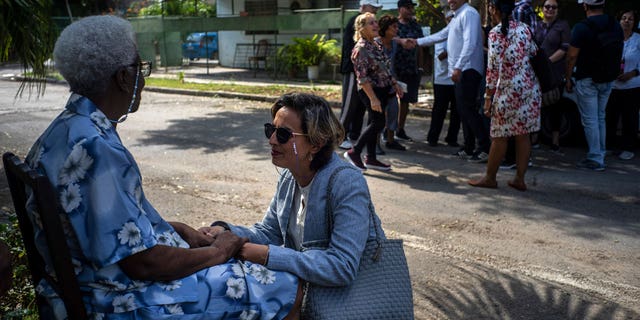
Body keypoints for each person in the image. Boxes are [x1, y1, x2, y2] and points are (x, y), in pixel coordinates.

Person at [23, 15, 301, 319]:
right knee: (285, 286)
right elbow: (144, 264)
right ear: (122, 77)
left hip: (87, 283)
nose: (143, 80)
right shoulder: (95, 148)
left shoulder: (65, 130)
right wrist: (218, 253)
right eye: (140, 69)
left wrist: (178, 229)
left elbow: (107, 225)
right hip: (114, 298)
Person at [200, 93, 387, 294]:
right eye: (270, 130)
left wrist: (268, 255)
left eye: (283, 135)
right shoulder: (290, 177)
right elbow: (268, 233)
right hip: (307, 294)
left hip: (352, 302)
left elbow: (342, 266)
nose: (272, 140)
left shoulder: (347, 182)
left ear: (316, 143)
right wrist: (226, 231)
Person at [468, 0, 541, 191]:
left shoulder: (495, 33)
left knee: (500, 136)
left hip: (507, 91)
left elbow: (492, 68)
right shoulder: (525, 29)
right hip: (528, 88)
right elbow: (534, 51)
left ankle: (490, 177)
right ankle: (519, 179)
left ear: (495, 9)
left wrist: (487, 97)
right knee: (523, 135)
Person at [417, 0, 490, 163]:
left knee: (469, 110)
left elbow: (470, 43)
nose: (450, 1)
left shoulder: (469, 13)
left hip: (468, 70)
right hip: (461, 71)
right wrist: (416, 42)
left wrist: (458, 67)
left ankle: (485, 147)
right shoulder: (457, 16)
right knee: (464, 111)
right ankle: (469, 146)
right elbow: (442, 35)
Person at [565, 0, 624, 171]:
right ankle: (600, 152)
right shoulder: (615, 24)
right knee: (600, 116)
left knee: (590, 119)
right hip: (608, 78)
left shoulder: (582, 27)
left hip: (587, 78)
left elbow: (571, 56)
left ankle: (596, 158)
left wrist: (568, 78)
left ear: (585, 6)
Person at [344, 12, 405, 171]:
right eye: (371, 23)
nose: (376, 25)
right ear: (361, 28)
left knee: (374, 122)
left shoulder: (376, 44)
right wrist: (373, 98)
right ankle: (354, 152)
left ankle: (371, 158)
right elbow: (362, 78)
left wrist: (395, 84)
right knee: (379, 122)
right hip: (371, 91)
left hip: (383, 89)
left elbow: (385, 68)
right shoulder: (361, 49)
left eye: (375, 22)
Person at [339, 0, 383, 150]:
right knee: (350, 104)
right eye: (372, 8)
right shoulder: (356, 21)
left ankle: (354, 135)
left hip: (363, 72)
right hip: (353, 70)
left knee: (360, 106)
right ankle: (340, 137)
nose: (375, 12)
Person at [533, 0, 571, 154]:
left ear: (557, 10)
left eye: (553, 7)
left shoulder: (563, 26)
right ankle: (534, 139)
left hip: (555, 72)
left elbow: (565, 48)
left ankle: (555, 142)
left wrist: (546, 63)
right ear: (542, 9)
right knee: (535, 106)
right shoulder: (536, 25)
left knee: (555, 106)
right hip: (535, 73)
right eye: (547, 6)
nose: (550, 9)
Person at [606, 9, 640, 161]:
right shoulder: (612, 38)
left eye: (630, 19)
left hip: (632, 85)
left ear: (635, 23)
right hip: (612, 85)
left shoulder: (638, 39)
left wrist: (632, 73)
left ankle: (628, 148)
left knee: (629, 118)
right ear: (619, 21)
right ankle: (609, 146)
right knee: (610, 117)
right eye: (624, 18)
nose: (626, 21)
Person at [426, 10, 461, 147]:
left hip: (456, 78)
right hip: (442, 80)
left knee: (457, 111)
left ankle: (452, 138)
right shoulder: (442, 35)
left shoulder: (460, 34)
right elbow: (440, 56)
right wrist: (455, 48)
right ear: (446, 20)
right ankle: (432, 138)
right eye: (450, 18)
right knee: (439, 111)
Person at [394, 0, 424, 142]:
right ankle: (388, 130)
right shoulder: (393, 25)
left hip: (410, 69)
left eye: (412, 7)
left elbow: (420, 46)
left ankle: (400, 129)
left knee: (405, 100)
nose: (411, 10)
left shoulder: (415, 25)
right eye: (408, 7)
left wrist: (420, 66)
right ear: (400, 9)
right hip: (395, 69)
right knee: (391, 101)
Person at [378, 14, 407, 151]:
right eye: (393, 27)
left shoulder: (395, 43)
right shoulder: (376, 43)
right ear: (385, 28)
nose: (396, 29)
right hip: (377, 84)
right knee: (377, 115)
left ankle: (390, 140)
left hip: (391, 82)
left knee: (393, 110)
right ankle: (375, 144)